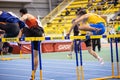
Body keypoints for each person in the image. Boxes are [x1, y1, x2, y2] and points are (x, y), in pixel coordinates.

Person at [19, 8, 44, 80]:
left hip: (36, 32)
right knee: (35, 55)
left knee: (22, 27)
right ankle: (33, 75)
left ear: (21, 13)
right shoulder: (34, 18)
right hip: (39, 34)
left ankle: (19, 39)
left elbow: (22, 19)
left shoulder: (27, 15)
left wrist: (15, 22)